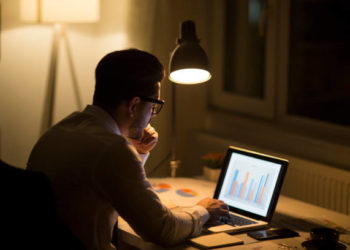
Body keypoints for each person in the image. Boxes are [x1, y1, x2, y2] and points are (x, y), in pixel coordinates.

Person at [27, 49, 228, 250]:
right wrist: (203, 211)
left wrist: (138, 152)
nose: (153, 115)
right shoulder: (112, 150)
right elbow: (161, 229)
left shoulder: (60, 131)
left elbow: (115, 187)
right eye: (154, 105)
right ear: (133, 106)